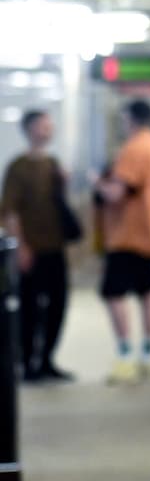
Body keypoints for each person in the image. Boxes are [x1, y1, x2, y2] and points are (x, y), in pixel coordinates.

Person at [93, 100, 150, 385]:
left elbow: (117, 193)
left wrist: (97, 184)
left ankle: (125, 355)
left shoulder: (134, 149)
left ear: (133, 120)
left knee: (114, 294)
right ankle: (149, 354)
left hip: (128, 235)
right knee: (148, 291)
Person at [0, 110, 74, 382]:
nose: (48, 130)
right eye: (43, 125)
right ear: (30, 129)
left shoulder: (53, 164)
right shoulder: (18, 167)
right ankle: (28, 362)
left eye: (49, 125)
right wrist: (21, 247)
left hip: (55, 247)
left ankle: (46, 360)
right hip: (31, 249)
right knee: (30, 308)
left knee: (57, 305)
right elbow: (10, 211)